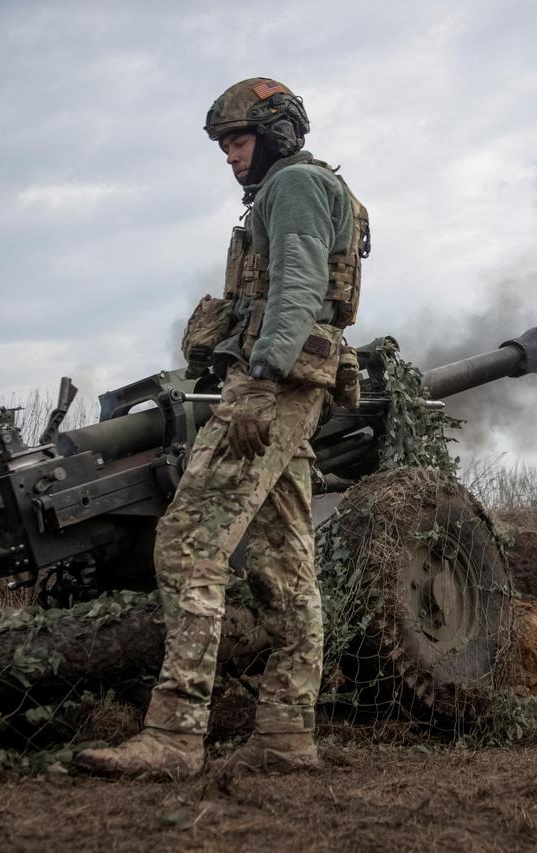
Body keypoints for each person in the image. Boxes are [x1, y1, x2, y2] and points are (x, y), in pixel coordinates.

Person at [77, 77, 369, 780]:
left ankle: (174, 737)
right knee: (286, 565)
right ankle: (286, 733)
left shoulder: (294, 186)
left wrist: (260, 378)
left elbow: (297, 285)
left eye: (238, 141)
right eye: (225, 145)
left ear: (273, 134)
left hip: (273, 385)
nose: (230, 156)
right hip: (299, 385)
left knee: (186, 543)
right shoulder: (312, 187)